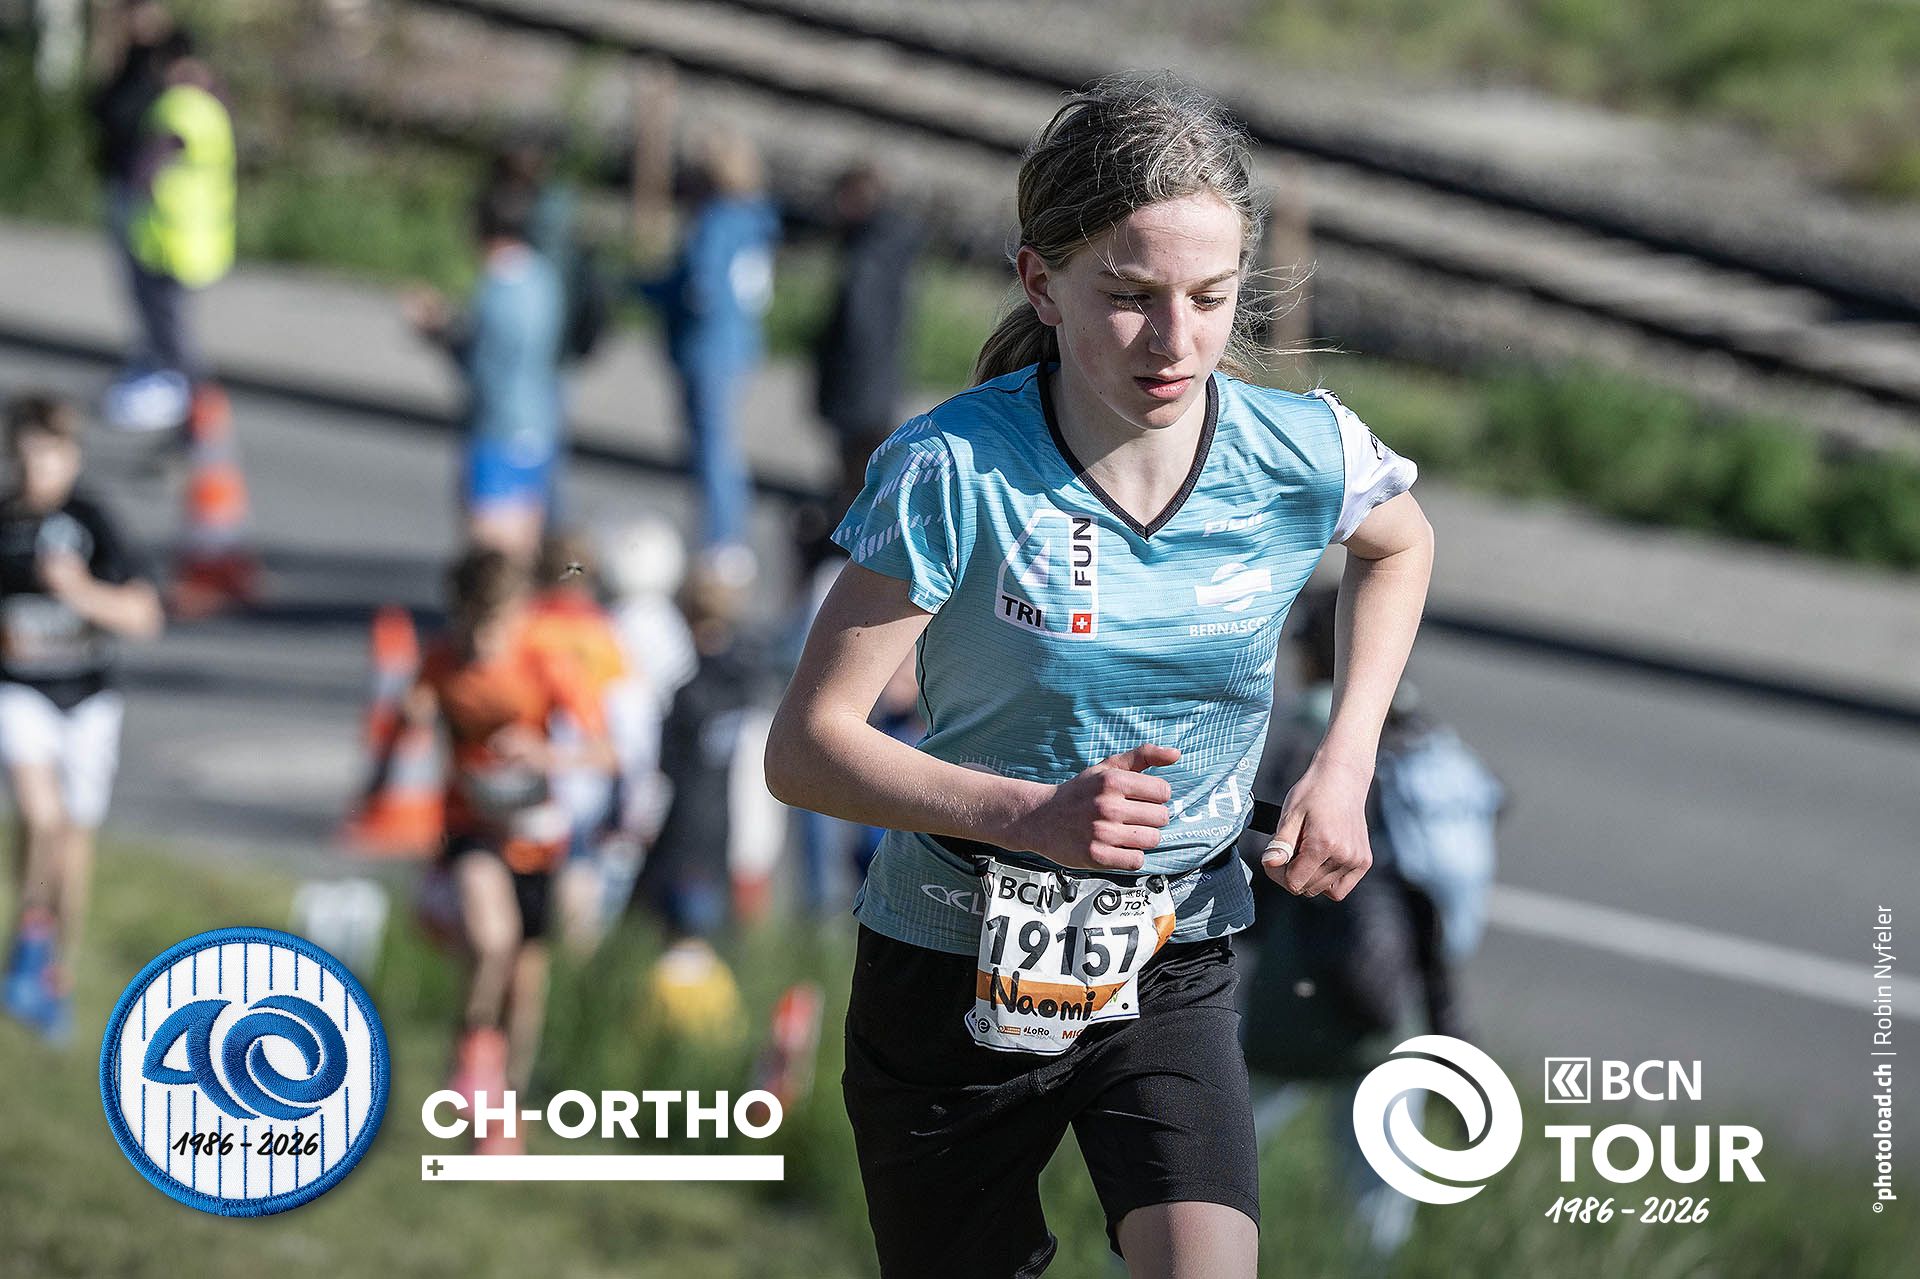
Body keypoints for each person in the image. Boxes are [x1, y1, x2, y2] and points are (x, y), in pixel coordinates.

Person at [765, 73, 1433, 1278]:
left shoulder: (1299, 452)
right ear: (1042, 284)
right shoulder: (954, 470)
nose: (1176, 343)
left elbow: (1402, 543)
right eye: (1129, 298)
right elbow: (805, 750)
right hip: (949, 957)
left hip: (1174, 949)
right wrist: (1029, 815)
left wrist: (1345, 761)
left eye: (1210, 299)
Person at [1241, 587, 1503, 1260]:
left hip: (1294, 988)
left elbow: (1248, 855)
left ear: (1312, 650)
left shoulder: (1303, 734)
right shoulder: (1429, 742)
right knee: (1377, 1208)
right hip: (1393, 996)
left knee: (1205, 1164)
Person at [404, 548, 613, 1151]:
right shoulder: (441, 660)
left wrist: (543, 753)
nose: (483, 642)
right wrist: (409, 720)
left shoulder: (544, 663)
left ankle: (505, 1110)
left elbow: (603, 752)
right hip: (471, 827)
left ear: (519, 615)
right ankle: (472, 1054)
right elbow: (409, 719)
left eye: (495, 626)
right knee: (490, 939)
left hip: (536, 836)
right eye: (473, 625)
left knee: (524, 984)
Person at [0, 395, 164, 1041]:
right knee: (40, 815)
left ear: (72, 457)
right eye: (26, 457)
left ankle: (54, 970)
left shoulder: (92, 523)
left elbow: (144, 616)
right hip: (21, 692)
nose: (37, 470)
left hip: (88, 699)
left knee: (72, 839)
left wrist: (80, 592)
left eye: (49, 456)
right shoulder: (5, 525)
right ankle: (29, 938)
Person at [632, 129, 779, 568]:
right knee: (723, 447)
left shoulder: (716, 222)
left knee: (712, 450)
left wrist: (648, 288)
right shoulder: (756, 220)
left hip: (708, 348)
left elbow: (701, 288)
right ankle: (726, 537)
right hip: (741, 344)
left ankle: (720, 544)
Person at [407, 187, 565, 565]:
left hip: (496, 426)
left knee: (488, 547)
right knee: (526, 538)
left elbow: (477, 369)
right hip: (540, 420)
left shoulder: (493, 292)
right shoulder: (544, 278)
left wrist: (437, 332)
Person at [104, 27, 235, 433]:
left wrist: (132, 184)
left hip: (169, 243)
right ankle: (191, 422)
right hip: (200, 241)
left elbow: (145, 168)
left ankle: (201, 422)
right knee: (174, 337)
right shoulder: (213, 100)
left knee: (173, 341)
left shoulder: (178, 107)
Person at [811, 164, 922, 507]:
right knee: (870, 470)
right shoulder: (891, 244)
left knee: (860, 478)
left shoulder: (867, 253)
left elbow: (858, 322)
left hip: (860, 382)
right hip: (882, 376)